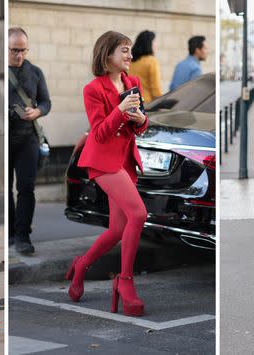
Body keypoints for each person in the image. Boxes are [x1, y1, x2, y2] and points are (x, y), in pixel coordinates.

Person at [65, 31, 149, 317]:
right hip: (103, 162)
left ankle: (80, 265)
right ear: (107, 55)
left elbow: (139, 127)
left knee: (116, 230)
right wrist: (120, 110)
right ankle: (124, 282)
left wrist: (140, 119)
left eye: (130, 50)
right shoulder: (93, 89)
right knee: (138, 214)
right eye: (124, 50)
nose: (129, 56)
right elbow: (99, 133)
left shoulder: (133, 83)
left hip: (125, 161)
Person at [7, 27, 52, 255]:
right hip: (5, 139)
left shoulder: (35, 72)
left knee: (26, 187)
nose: (19, 55)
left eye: (23, 50)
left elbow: (46, 102)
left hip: (28, 139)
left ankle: (23, 236)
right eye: (15, 50)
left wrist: (37, 112)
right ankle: (10, 233)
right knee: (6, 188)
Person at [128, 30, 162, 103]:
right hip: (147, 103)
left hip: (131, 102)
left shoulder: (130, 61)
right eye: (154, 41)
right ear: (149, 43)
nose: (156, 44)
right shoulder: (152, 61)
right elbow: (155, 88)